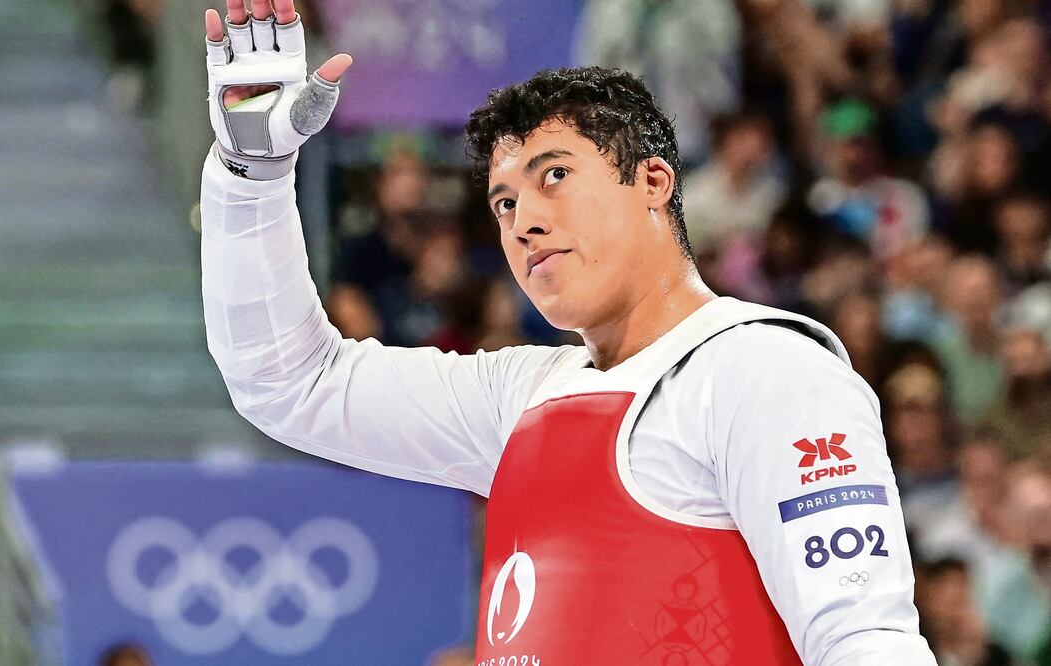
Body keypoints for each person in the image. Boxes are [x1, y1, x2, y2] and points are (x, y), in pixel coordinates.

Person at [199, 1, 936, 663]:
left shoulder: (762, 370)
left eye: (554, 176)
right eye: (504, 203)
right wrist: (250, 176)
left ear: (653, 182)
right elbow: (291, 382)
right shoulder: (517, 399)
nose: (525, 221)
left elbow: (866, 641)